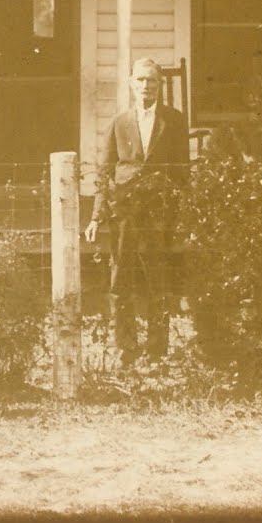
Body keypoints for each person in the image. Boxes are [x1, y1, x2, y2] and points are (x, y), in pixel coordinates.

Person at [85, 58, 190, 364]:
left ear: (160, 85)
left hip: (158, 211)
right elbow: (105, 171)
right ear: (131, 84)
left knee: (158, 279)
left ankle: (157, 351)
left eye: (153, 81)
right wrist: (96, 216)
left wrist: (184, 215)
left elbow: (182, 170)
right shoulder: (119, 122)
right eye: (141, 80)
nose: (147, 86)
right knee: (121, 281)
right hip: (125, 211)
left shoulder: (174, 121)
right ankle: (125, 349)